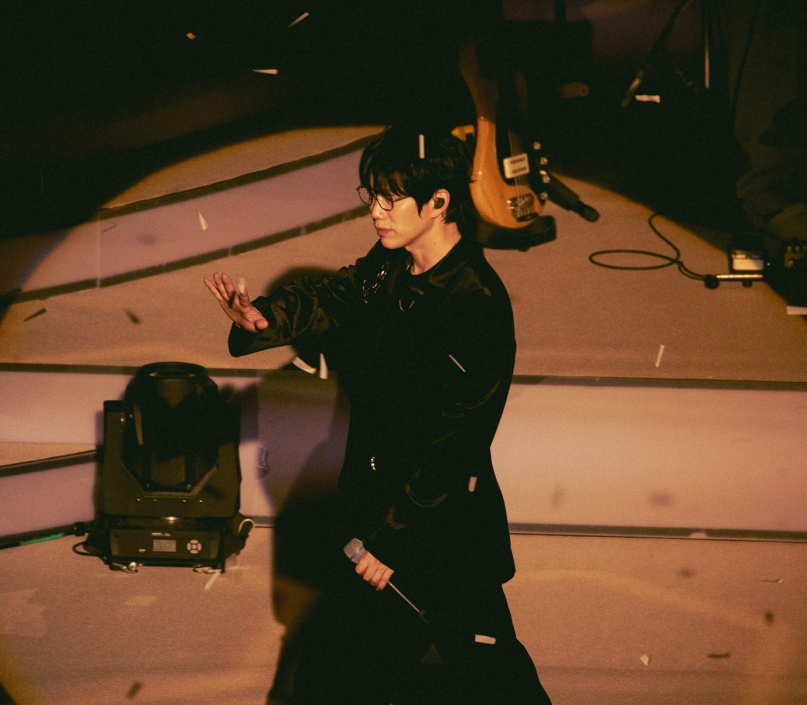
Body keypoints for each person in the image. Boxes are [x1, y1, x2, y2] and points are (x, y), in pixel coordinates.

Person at [204, 126, 550, 704]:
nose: (376, 212)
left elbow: (456, 443)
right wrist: (265, 319)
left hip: (438, 532)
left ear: (438, 202)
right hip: (376, 513)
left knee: (491, 676)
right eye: (373, 197)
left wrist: (392, 542)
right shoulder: (390, 265)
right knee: (334, 677)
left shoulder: (475, 304)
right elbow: (337, 297)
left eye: (391, 200)